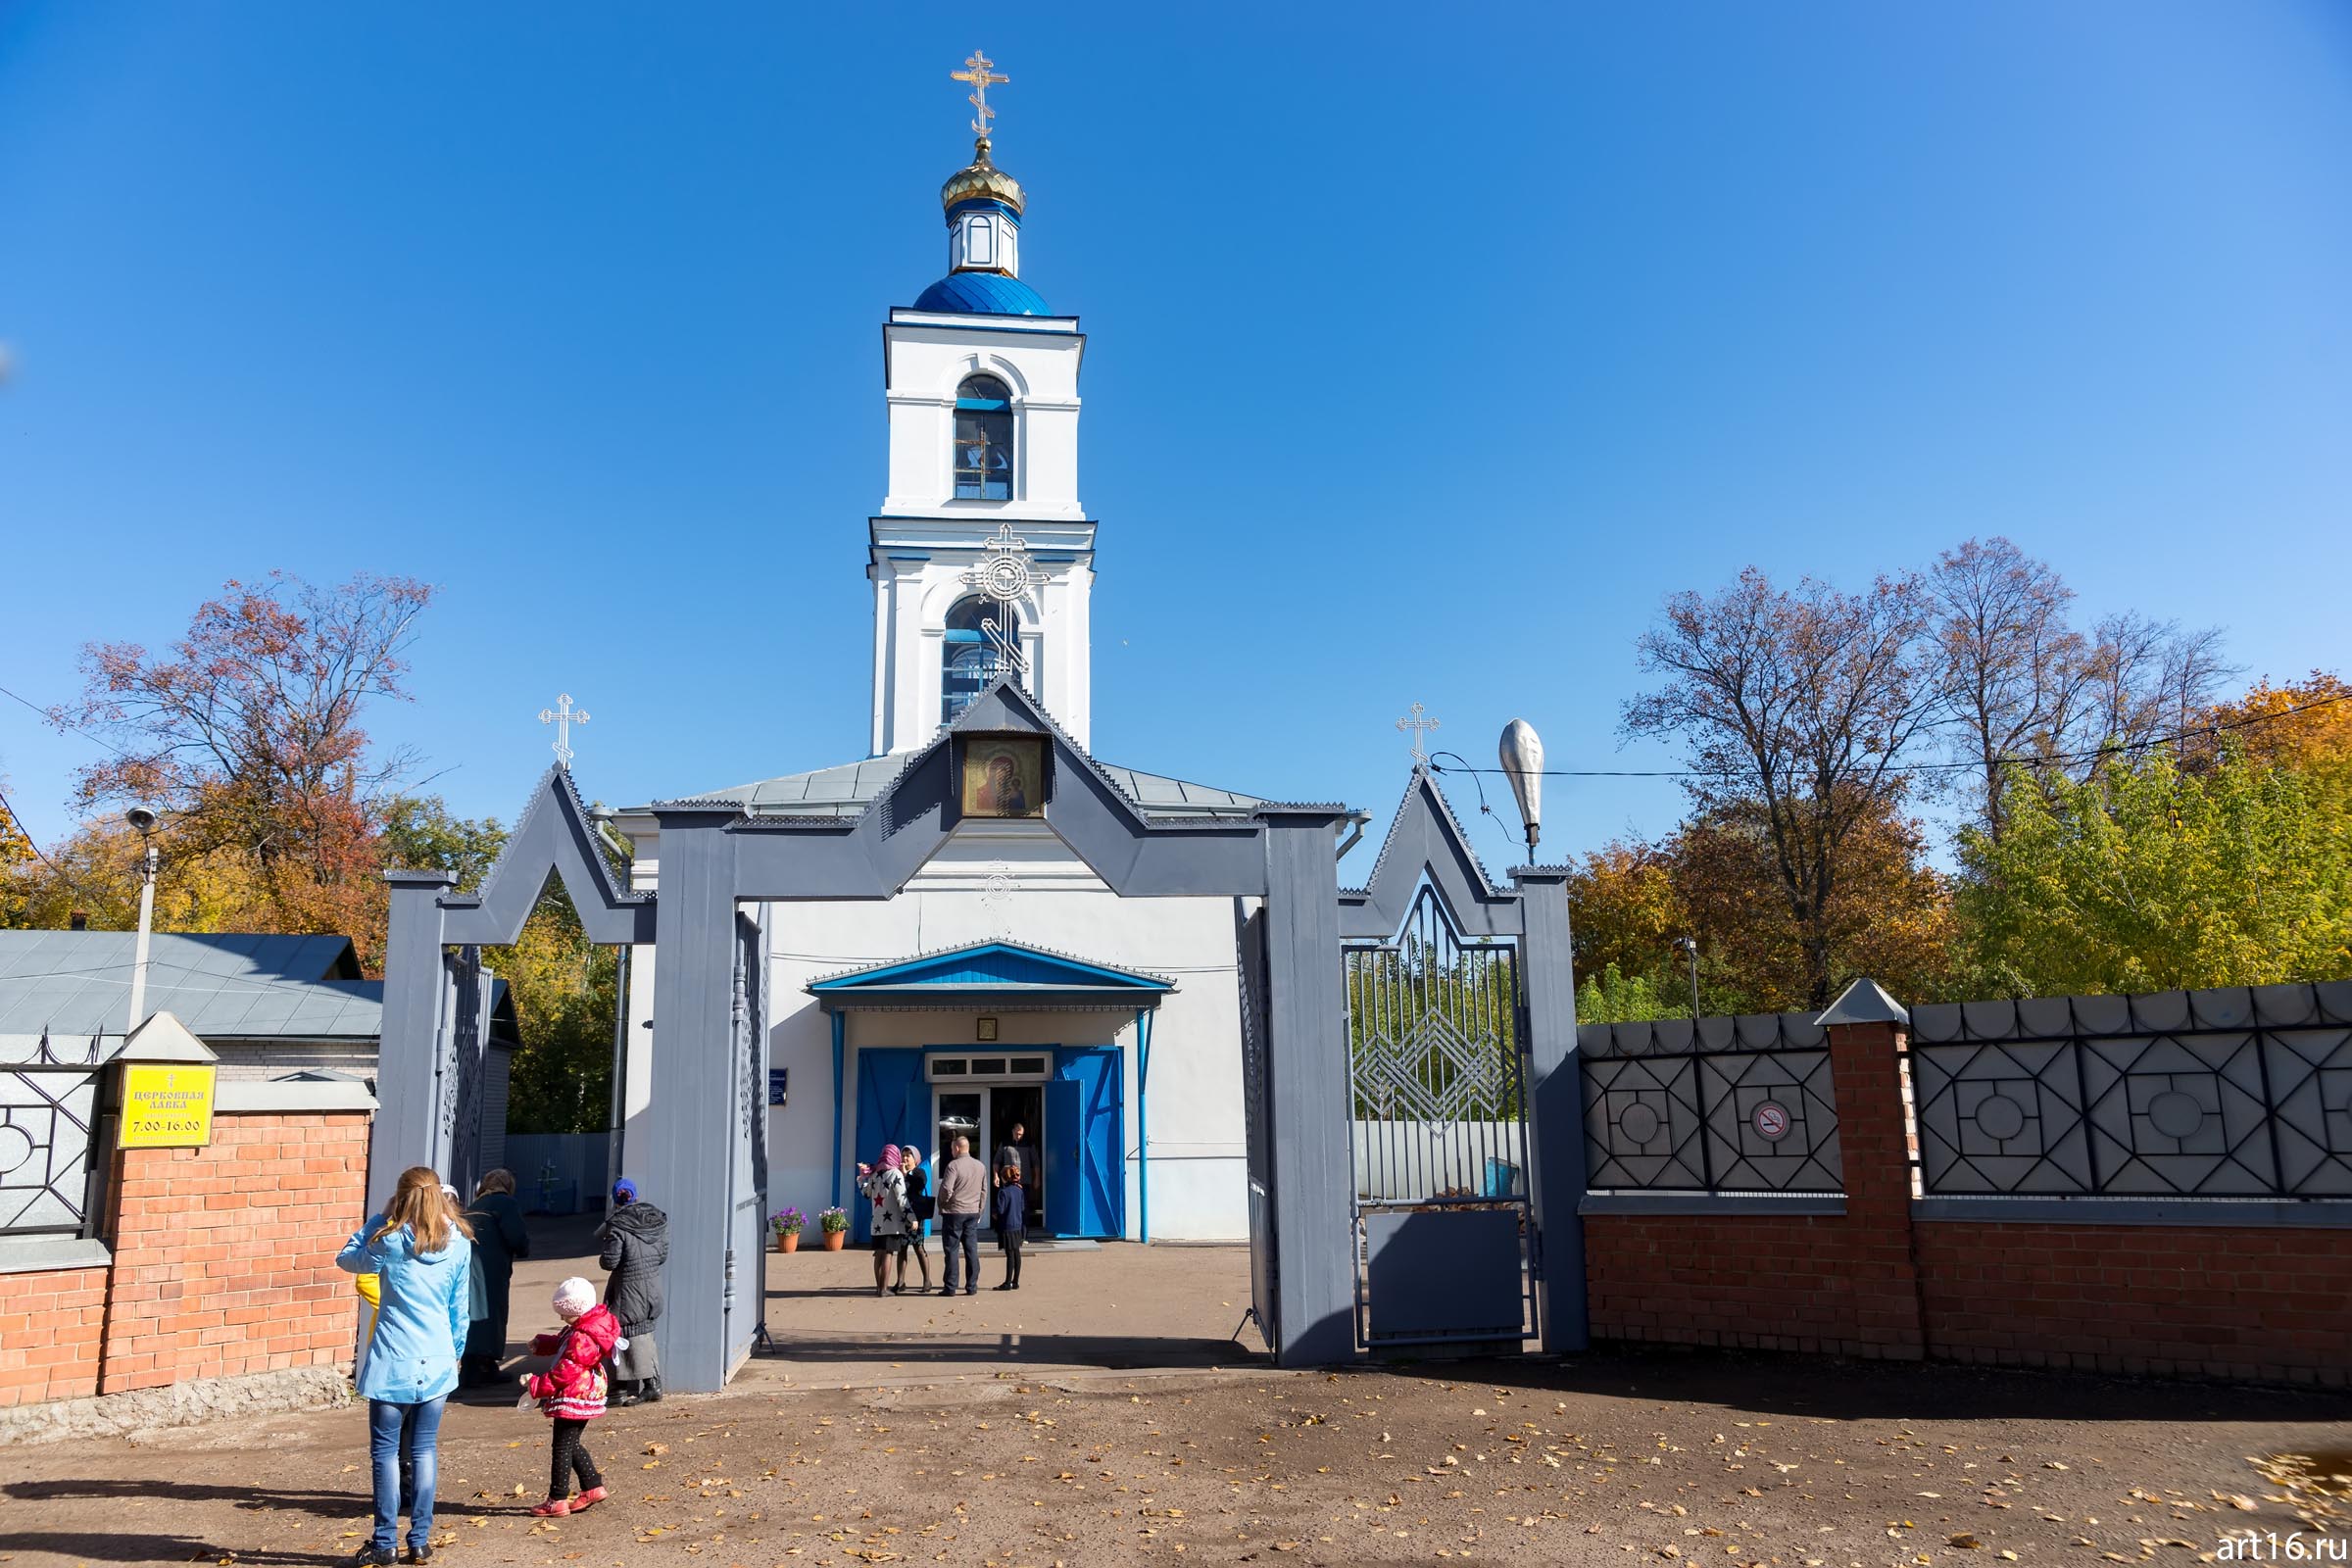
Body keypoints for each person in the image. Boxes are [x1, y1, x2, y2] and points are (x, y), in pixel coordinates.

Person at [336, 1166, 473, 1568]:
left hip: (392, 1361)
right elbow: (458, 1308)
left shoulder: (390, 1240)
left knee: (385, 1454)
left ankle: (384, 1543)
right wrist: (456, 1353)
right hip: (437, 1360)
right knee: (425, 1450)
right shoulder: (461, 1243)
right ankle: (420, 1541)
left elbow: (347, 1259)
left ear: (401, 1199)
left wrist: (381, 1217)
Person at [522, 1276, 619, 1517]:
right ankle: (592, 1486)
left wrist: (537, 1385)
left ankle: (557, 1498)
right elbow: (563, 1341)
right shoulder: (585, 1326)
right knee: (570, 1442)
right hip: (586, 1391)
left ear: (578, 1309)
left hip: (574, 1393)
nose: (562, 1319)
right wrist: (543, 1343)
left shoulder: (583, 1336)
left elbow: (566, 1370)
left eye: (566, 1314)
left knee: (562, 1447)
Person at [598, 1178, 668, 1406]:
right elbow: (662, 1255)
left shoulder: (618, 1224)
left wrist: (603, 1254)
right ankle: (650, 1385)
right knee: (644, 1332)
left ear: (615, 1199)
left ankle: (622, 1390)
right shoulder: (656, 1221)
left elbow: (610, 1261)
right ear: (636, 1196)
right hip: (652, 1286)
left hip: (628, 1288)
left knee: (621, 1335)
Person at [462, 1169, 530, 1388]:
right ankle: (485, 1367)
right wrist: (523, 1249)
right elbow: (516, 1236)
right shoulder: (506, 1204)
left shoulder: (474, 1206)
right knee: (492, 1315)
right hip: (492, 1269)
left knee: (473, 1313)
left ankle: (470, 1366)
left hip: (469, 1266)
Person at [856, 1144, 912, 1298]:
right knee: (888, 1253)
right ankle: (884, 1289)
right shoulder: (896, 1174)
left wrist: (860, 1180)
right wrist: (911, 1218)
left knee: (879, 1253)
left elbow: (866, 1193)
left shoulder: (874, 1175)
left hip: (877, 1223)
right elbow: (902, 1200)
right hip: (892, 1223)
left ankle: (878, 1287)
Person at [935, 1134, 986, 1298]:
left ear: (957, 1148)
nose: (951, 1151)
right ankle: (972, 1286)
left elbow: (946, 1189)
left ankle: (950, 1287)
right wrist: (980, 1210)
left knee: (952, 1250)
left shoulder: (953, 1166)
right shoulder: (980, 1166)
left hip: (954, 1213)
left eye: (952, 1148)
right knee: (971, 1249)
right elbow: (984, 1191)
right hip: (972, 1211)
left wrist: (942, 1203)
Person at [896, 1145, 934, 1293]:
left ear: (915, 1159)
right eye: (903, 1155)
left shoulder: (919, 1172)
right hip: (902, 1215)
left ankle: (927, 1281)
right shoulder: (898, 1173)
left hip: (917, 1215)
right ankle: (900, 1282)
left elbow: (920, 1184)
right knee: (902, 1248)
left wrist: (907, 1175)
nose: (905, 1158)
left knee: (918, 1247)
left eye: (908, 1156)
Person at [992, 1162, 1026, 1292]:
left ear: (1004, 1177)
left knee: (1010, 1254)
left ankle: (1007, 1282)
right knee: (1017, 1253)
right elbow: (1022, 1208)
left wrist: (994, 1214)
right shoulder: (1019, 1190)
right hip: (1018, 1225)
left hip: (1007, 1226)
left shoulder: (1003, 1192)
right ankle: (1015, 1281)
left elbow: (1000, 1210)